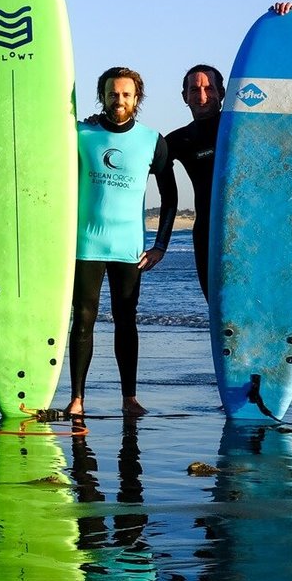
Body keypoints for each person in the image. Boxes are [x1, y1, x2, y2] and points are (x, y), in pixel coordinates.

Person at [66, 67, 177, 418]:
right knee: (82, 320)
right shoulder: (81, 133)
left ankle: (129, 397)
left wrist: (160, 245)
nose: (119, 100)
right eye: (113, 94)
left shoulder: (151, 140)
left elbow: (170, 196)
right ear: (103, 96)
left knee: (125, 320)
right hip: (85, 246)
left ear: (136, 98)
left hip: (129, 248)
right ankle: (77, 399)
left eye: (126, 94)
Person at [168, 2, 292, 299]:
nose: (202, 95)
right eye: (194, 89)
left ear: (223, 92)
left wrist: (284, 26)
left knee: (260, 301)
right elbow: (134, 162)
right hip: (208, 233)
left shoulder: (246, 131)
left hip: (253, 228)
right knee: (218, 306)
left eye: (209, 88)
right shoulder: (178, 140)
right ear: (184, 96)